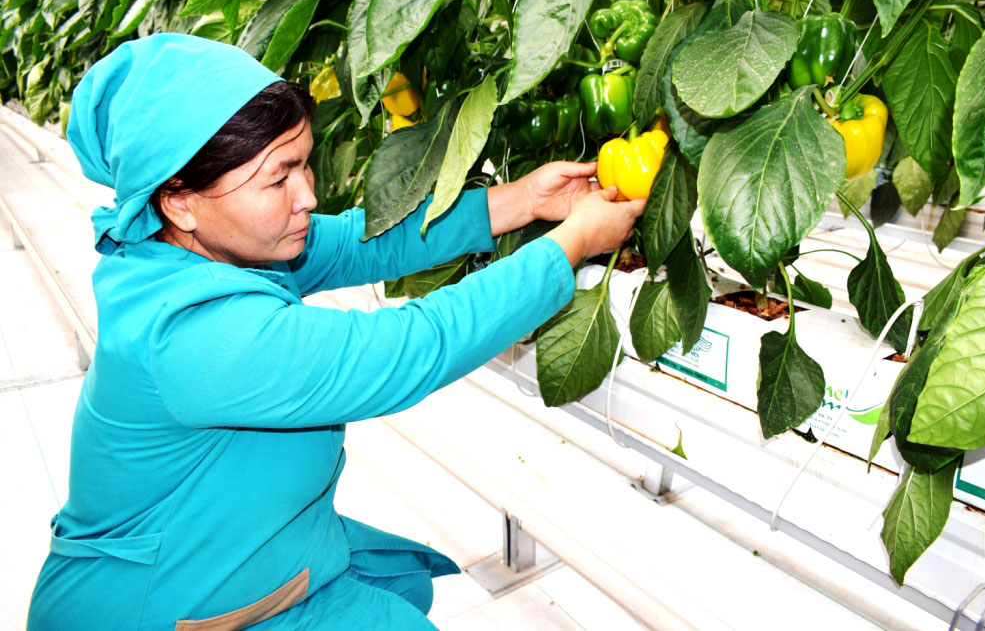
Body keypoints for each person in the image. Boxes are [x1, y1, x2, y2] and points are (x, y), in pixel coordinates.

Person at [26, 33, 645, 630]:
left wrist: (523, 201)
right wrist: (569, 244)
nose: (307, 196)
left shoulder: (211, 248)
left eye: (304, 165)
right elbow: (411, 347)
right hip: (165, 610)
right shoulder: (192, 334)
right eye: (278, 178)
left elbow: (365, 239)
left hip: (237, 567)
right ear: (180, 200)